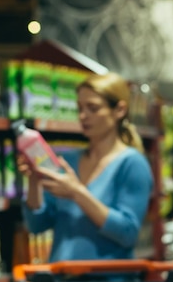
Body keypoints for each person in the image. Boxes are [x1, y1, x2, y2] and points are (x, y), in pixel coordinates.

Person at [18, 72, 154, 262]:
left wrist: (78, 193)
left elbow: (127, 233)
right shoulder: (67, 160)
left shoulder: (132, 163)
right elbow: (37, 225)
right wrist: (34, 180)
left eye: (93, 108)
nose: (83, 116)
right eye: (80, 108)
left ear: (119, 110)